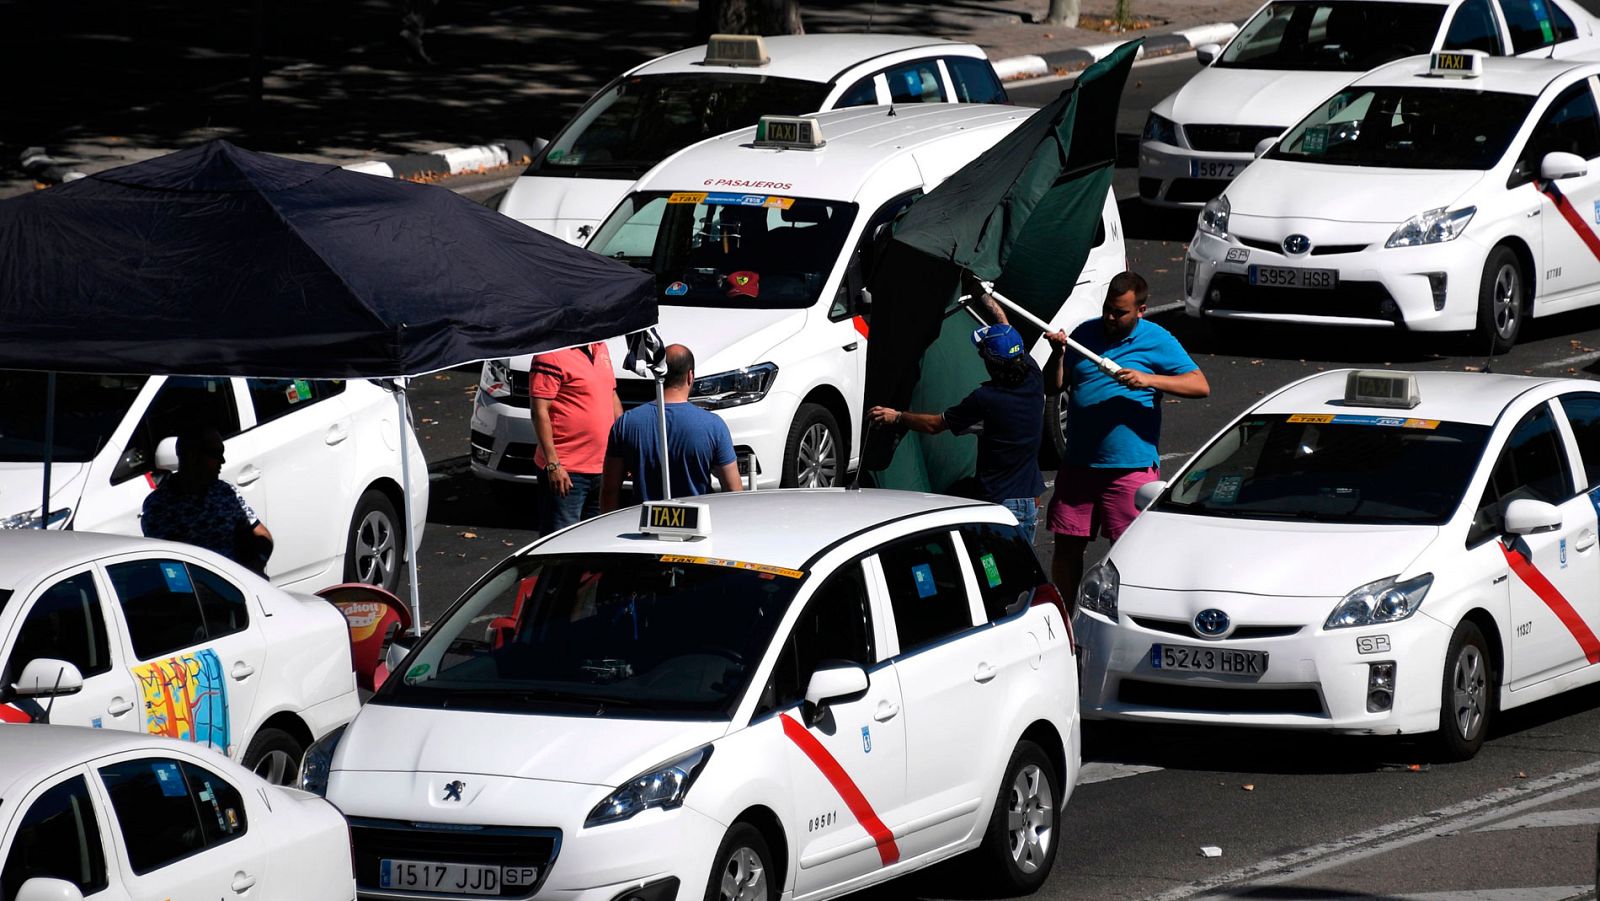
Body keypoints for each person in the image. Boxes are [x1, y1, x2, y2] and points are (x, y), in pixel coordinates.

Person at [1046, 271, 1210, 595]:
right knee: (1066, 548)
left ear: (1141, 310)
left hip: (1129, 470)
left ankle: (1123, 621)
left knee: (1128, 554)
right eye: (1108, 308)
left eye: (1120, 312)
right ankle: (1066, 618)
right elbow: (1054, 385)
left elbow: (1200, 385)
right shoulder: (1085, 333)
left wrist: (1150, 380)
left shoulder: (1157, 340)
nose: (1110, 317)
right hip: (1079, 465)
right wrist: (1058, 354)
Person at [868, 321, 1060, 543]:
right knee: (1023, 572)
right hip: (1029, 500)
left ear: (991, 363)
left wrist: (898, 416)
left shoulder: (985, 400)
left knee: (995, 572)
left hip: (999, 504)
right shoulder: (1033, 376)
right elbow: (1007, 329)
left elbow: (935, 424)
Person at [600, 344, 743, 511]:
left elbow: (610, 491)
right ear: (690, 376)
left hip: (642, 525)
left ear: (658, 374)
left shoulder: (626, 424)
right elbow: (734, 490)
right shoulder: (713, 426)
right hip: (695, 526)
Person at [141, 426, 274, 574]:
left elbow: (262, 535)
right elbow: (168, 568)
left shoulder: (226, 491)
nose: (223, 461)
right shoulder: (159, 507)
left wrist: (256, 566)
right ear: (192, 456)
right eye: (216, 454)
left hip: (239, 583)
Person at [530, 340, 621, 534]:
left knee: (594, 543)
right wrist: (553, 464)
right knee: (561, 545)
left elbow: (611, 396)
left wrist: (624, 448)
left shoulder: (601, 347)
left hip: (602, 468)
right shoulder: (550, 354)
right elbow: (539, 412)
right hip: (567, 472)